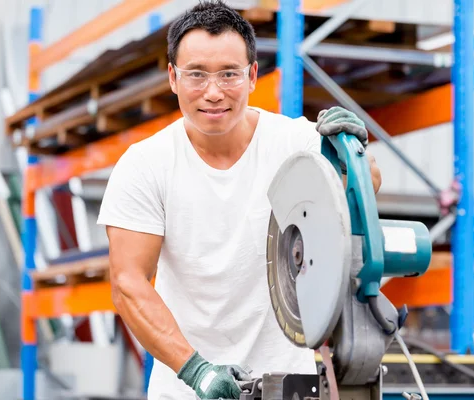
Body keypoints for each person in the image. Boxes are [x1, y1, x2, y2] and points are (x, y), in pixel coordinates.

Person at [97, 1, 382, 399]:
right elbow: (128, 282)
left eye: (228, 74)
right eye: (196, 75)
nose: (213, 93)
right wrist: (196, 371)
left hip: (290, 386)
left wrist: (352, 153)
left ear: (251, 76)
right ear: (173, 78)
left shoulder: (295, 144)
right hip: (186, 388)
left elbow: (364, 185)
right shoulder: (146, 165)